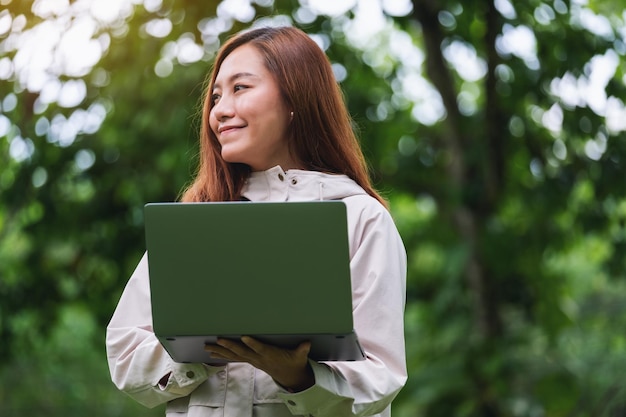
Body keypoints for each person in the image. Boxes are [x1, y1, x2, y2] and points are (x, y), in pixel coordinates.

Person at [106, 25, 407, 417]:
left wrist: (299, 378)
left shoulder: (361, 219)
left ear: (295, 97)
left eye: (240, 88)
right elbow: (124, 355)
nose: (219, 110)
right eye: (216, 96)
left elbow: (380, 377)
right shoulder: (194, 224)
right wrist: (199, 355)